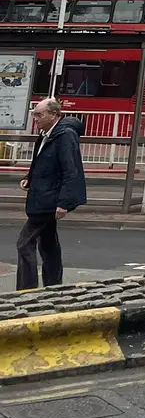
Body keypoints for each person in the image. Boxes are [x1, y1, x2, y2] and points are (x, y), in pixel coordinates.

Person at [16, 98, 87, 290]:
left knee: (24, 243)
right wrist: (29, 178)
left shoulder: (64, 136)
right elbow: (43, 161)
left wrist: (64, 202)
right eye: (34, 115)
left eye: (39, 115)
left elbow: (70, 170)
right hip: (44, 195)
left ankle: (26, 290)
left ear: (54, 115)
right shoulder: (47, 134)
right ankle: (54, 287)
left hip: (49, 199)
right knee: (48, 244)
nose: (35, 119)